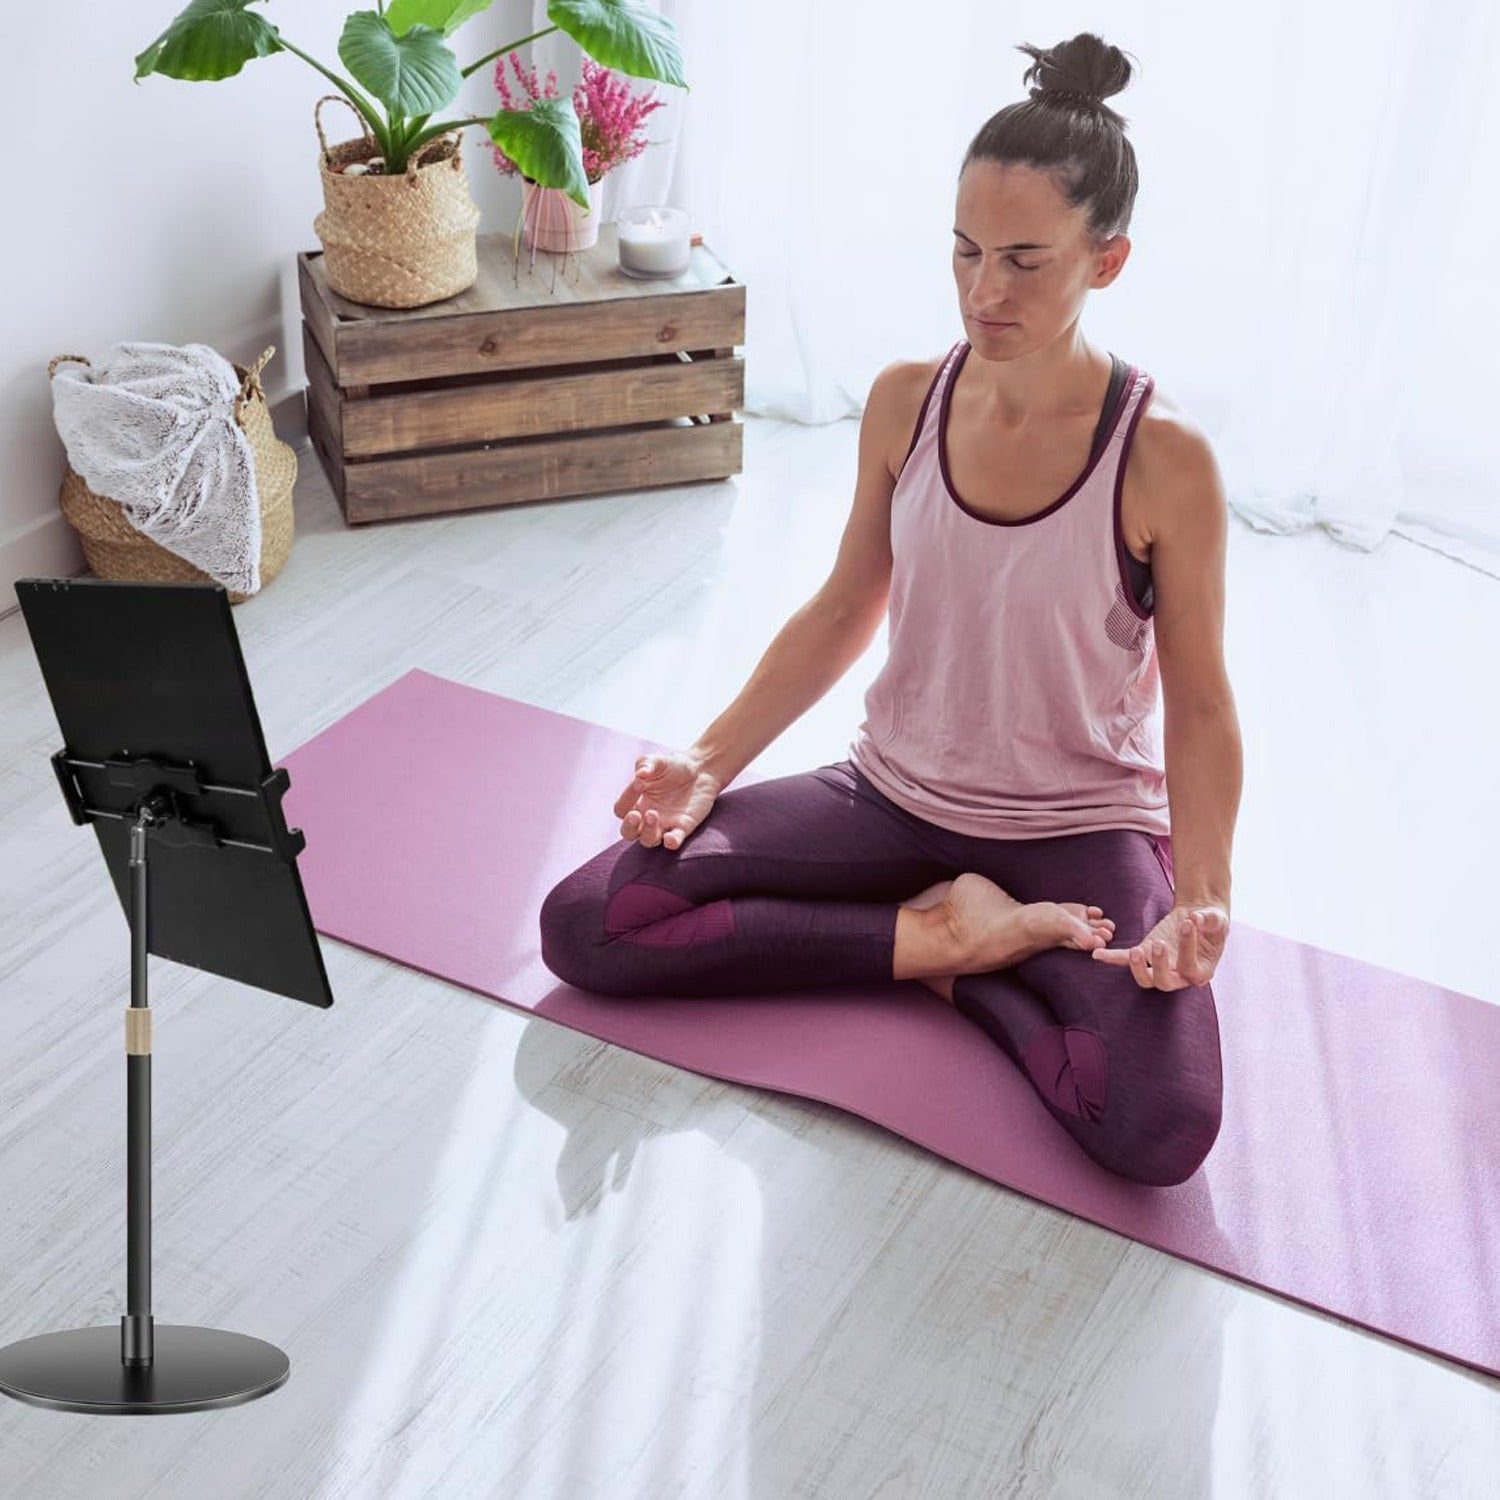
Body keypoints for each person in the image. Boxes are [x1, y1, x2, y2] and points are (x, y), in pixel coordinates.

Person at [540, 32, 1244, 1188]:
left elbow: (1206, 706)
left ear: (1106, 261)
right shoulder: (908, 400)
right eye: (965, 251)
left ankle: (967, 959)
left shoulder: (1163, 458)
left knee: (1160, 1125)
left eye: (1026, 260)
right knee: (592, 924)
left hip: (1080, 830)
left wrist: (1204, 897)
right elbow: (843, 606)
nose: (984, 290)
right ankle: (948, 943)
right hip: (892, 799)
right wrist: (708, 762)